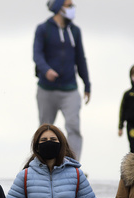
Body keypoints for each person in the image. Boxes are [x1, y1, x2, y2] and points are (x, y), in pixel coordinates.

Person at [33, 0, 90, 160]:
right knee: (45, 129)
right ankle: (43, 161)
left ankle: (73, 163)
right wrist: (47, 70)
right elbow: (37, 55)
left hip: (70, 89)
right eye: (68, 5)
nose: (72, 8)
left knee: (73, 127)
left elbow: (80, 58)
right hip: (46, 89)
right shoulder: (43, 29)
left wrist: (87, 84)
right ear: (59, 7)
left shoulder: (75, 31)